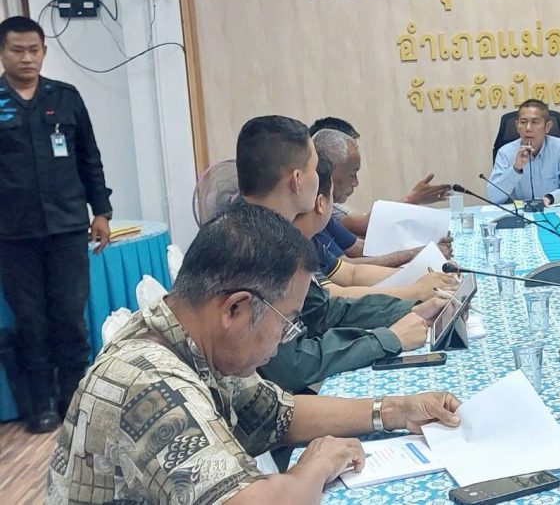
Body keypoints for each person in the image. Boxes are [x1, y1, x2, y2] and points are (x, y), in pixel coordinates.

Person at [48, 202, 461, 503]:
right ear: (236, 309)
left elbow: (279, 414)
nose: (286, 337)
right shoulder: (149, 382)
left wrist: (396, 410)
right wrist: (314, 466)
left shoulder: (191, 336)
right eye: (287, 321)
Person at [235, 116, 449, 392]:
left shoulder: (270, 233)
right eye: (315, 168)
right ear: (298, 180)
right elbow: (293, 365)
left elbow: (324, 310)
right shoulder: (256, 249)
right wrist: (388, 338)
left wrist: (412, 308)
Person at [0, 16, 114, 433]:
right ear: (3, 53)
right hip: (13, 234)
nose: (27, 58)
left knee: (69, 316)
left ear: (44, 51)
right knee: (30, 320)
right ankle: (41, 403)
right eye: (17, 50)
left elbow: (89, 158)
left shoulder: (66, 98)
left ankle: (73, 397)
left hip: (67, 227)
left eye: (34, 50)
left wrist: (101, 211)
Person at [312, 128, 451, 267]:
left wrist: (427, 247)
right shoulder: (312, 213)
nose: (355, 182)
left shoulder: (325, 214)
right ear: (329, 170)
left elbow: (360, 249)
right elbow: (349, 270)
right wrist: (418, 254)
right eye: (352, 174)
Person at [488, 98, 560, 206]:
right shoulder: (505, 152)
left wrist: (550, 198)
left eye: (535, 122)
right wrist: (516, 169)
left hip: (552, 209)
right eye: (523, 122)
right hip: (519, 213)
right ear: (517, 126)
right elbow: (494, 197)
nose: (528, 128)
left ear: (547, 127)